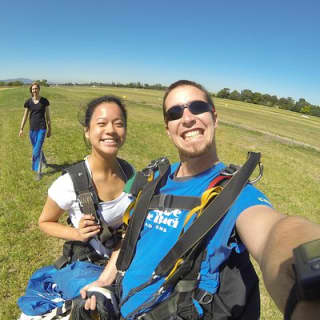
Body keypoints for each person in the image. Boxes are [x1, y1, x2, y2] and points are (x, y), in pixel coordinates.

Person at [81, 80, 320, 320]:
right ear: (168, 128)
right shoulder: (154, 179)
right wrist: (103, 283)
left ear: (214, 118)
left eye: (197, 107)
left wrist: (308, 271)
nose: (187, 118)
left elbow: (275, 232)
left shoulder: (233, 193)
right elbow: (128, 239)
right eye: (175, 113)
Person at [18, 95, 135, 319]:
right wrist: (76, 233)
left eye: (118, 123)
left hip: (123, 263)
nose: (110, 130)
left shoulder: (129, 172)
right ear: (87, 131)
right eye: (101, 124)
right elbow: (44, 222)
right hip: (88, 264)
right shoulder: (70, 183)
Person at [19, 82, 51, 180]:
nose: (35, 90)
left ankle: (38, 172)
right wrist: (21, 128)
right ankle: (44, 161)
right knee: (37, 147)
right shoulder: (28, 102)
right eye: (33, 89)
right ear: (31, 91)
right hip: (32, 129)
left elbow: (48, 116)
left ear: (39, 89)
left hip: (42, 128)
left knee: (36, 151)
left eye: (36, 88)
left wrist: (50, 129)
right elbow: (25, 116)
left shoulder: (44, 101)